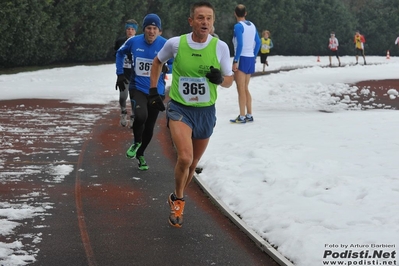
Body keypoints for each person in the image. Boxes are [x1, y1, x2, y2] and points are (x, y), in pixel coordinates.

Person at [149, 1, 234, 228]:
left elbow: (229, 80)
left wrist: (220, 80)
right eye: (200, 18)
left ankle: (175, 197)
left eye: (209, 18)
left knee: (193, 164)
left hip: (206, 112)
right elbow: (157, 62)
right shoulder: (176, 43)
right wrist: (153, 90)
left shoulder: (220, 47)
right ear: (191, 21)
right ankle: (179, 200)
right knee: (185, 158)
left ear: (213, 22)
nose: (204, 22)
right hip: (180, 108)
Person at [116, 14, 173, 171]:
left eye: (155, 28)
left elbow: (175, 61)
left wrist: (169, 68)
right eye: (149, 28)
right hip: (138, 87)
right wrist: (120, 73)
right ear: (144, 29)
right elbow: (120, 53)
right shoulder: (134, 41)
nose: (152, 31)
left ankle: (141, 154)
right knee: (141, 116)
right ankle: (136, 142)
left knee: (149, 126)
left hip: (157, 90)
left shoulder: (165, 44)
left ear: (159, 31)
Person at [230, 4, 261, 124]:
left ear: (235, 13)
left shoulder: (238, 26)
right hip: (250, 58)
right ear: (246, 13)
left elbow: (240, 44)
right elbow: (257, 42)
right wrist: (253, 56)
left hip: (242, 58)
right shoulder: (252, 25)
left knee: (240, 89)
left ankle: (242, 116)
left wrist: (236, 60)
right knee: (246, 88)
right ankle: (249, 114)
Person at [114, 19, 138, 127]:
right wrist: (119, 73)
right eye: (128, 29)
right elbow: (117, 55)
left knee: (134, 97)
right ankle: (123, 112)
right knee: (123, 96)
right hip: (123, 74)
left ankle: (133, 116)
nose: (130, 31)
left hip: (135, 75)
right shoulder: (120, 42)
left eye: (132, 29)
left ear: (136, 31)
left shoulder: (139, 41)